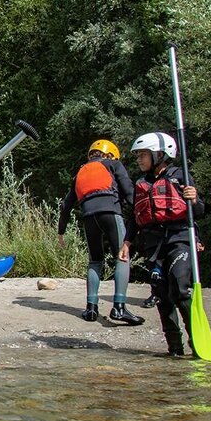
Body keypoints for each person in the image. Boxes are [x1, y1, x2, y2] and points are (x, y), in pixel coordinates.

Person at [119, 132, 205, 357]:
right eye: (138, 156)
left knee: (180, 288)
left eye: (143, 155)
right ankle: (174, 348)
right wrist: (126, 243)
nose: (139, 160)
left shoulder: (180, 176)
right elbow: (134, 217)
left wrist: (194, 199)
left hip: (179, 239)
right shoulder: (141, 184)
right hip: (153, 245)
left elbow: (198, 211)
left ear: (160, 154)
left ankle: (196, 343)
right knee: (161, 294)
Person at [57, 139, 145, 325]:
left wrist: (61, 231)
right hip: (111, 212)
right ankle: (119, 307)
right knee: (122, 256)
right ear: (110, 154)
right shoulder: (113, 164)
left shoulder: (80, 172)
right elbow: (129, 191)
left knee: (95, 260)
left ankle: (91, 309)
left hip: (89, 217)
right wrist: (142, 215)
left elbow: (66, 205)